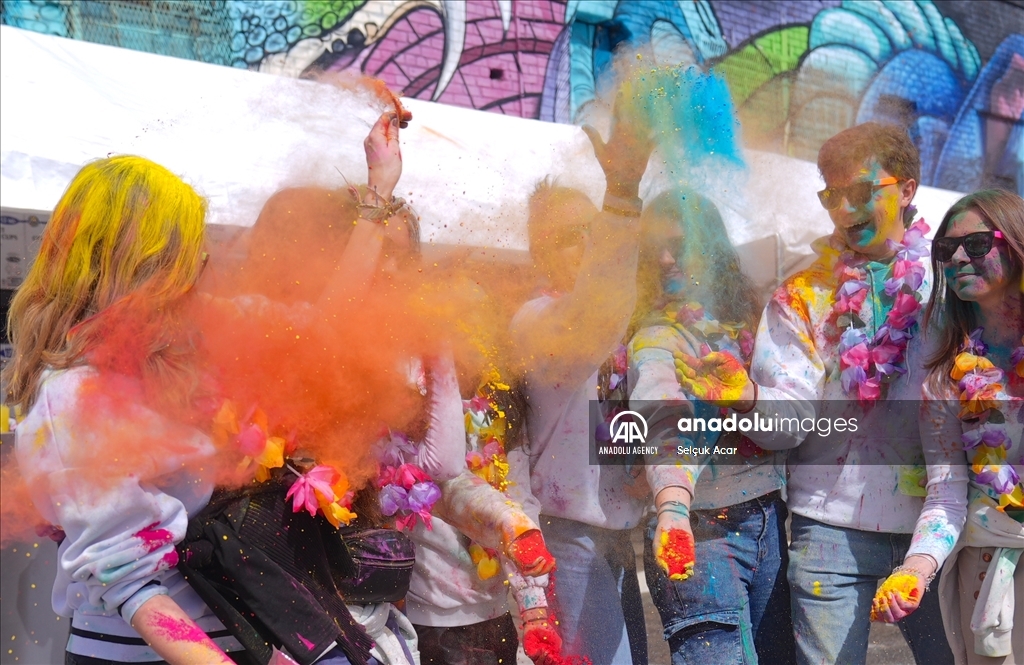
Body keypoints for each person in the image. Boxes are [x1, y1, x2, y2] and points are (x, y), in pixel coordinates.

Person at [675, 122, 959, 665]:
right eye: (833, 196)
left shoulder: (950, 284)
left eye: (862, 192)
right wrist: (748, 397)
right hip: (828, 532)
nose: (845, 209)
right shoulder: (802, 296)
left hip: (940, 524)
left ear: (907, 189)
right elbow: (791, 423)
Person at [4, 156, 244, 665]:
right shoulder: (76, 393)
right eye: (184, 250)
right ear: (140, 263)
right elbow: (128, 580)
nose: (202, 262)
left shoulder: (166, 371)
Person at [509, 92, 654, 665]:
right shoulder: (538, 320)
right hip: (567, 540)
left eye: (591, 230)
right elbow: (594, 312)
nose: (589, 244)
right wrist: (621, 196)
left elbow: (610, 417)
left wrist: (643, 468)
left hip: (615, 539)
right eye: (571, 236)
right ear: (540, 252)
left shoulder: (613, 327)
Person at [625, 189, 793, 663]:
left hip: (767, 520)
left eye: (678, 245)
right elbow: (662, 420)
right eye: (653, 247)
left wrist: (747, 399)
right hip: (700, 533)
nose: (663, 258)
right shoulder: (654, 335)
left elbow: (798, 421)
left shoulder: (757, 322)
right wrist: (674, 509)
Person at [920, 190, 1023, 664]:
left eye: (978, 244)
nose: (959, 256)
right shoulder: (945, 379)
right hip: (982, 576)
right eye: (946, 248)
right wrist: (916, 569)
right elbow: (945, 495)